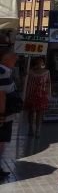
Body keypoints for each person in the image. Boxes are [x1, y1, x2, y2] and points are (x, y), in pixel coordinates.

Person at [0, 45, 19, 179]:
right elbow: (1, 95)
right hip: (3, 116)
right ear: (4, 58)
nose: (16, 57)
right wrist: (1, 115)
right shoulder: (3, 72)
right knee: (1, 142)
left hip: (5, 114)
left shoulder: (6, 70)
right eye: (13, 55)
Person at [24, 56, 51, 137]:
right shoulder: (30, 72)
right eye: (38, 61)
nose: (39, 63)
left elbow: (48, 83)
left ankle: (38, 130)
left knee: (40, 112)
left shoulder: (46, 72)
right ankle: (30, 128)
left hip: (41, 94)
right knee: (31, 112)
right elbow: (27, 84)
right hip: (31, 94)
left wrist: (48, 93)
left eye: (41, 61)